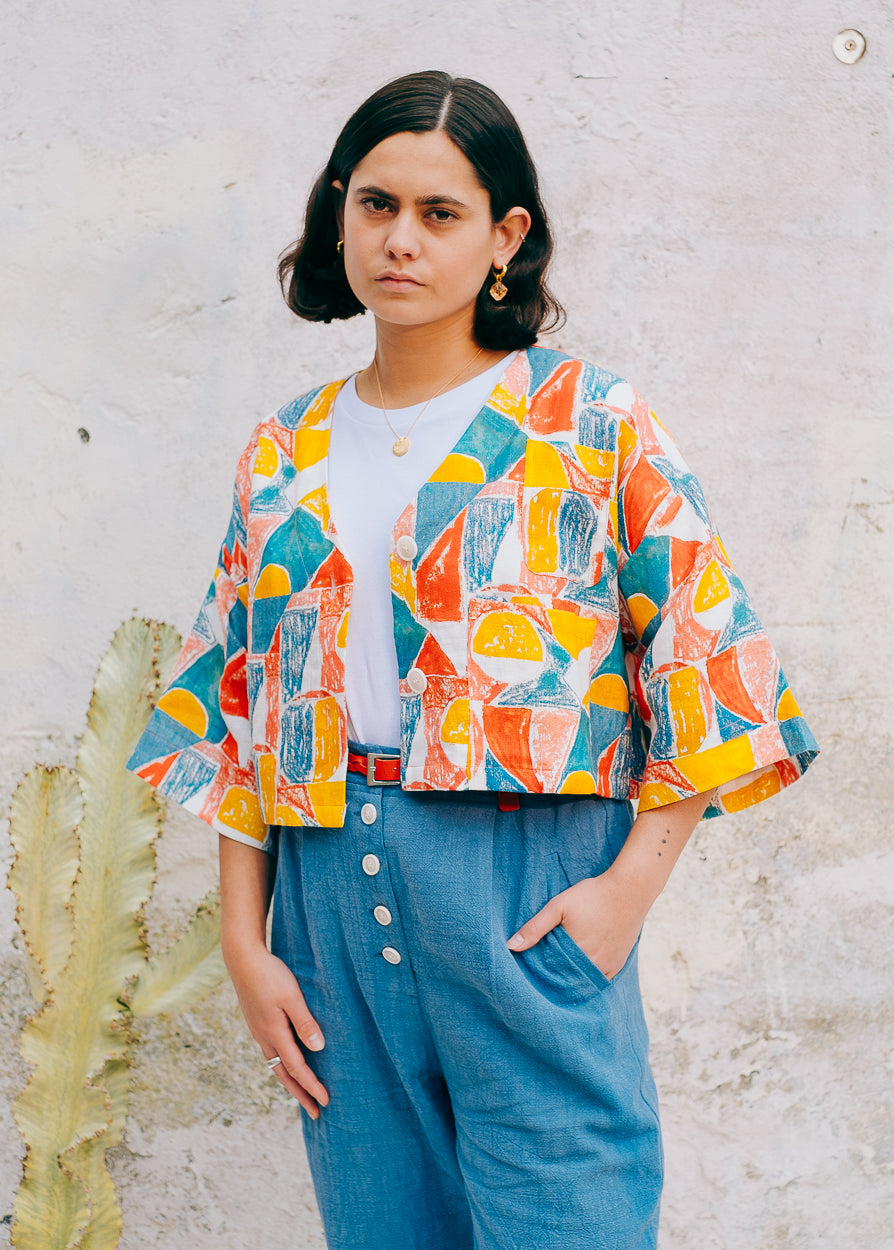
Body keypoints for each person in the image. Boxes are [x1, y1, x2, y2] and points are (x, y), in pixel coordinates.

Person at [128, 69, 818, 1250]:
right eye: (375, 203)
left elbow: (709, 655)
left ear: (505, 236)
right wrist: (247, 940)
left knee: (571, 1221)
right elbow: (242, 699)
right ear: (338, 212)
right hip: (328, 884)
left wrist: (628, 888)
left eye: (440, 213)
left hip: (526, 882)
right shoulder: (284, 448)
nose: (400, 239)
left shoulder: (586, 420)